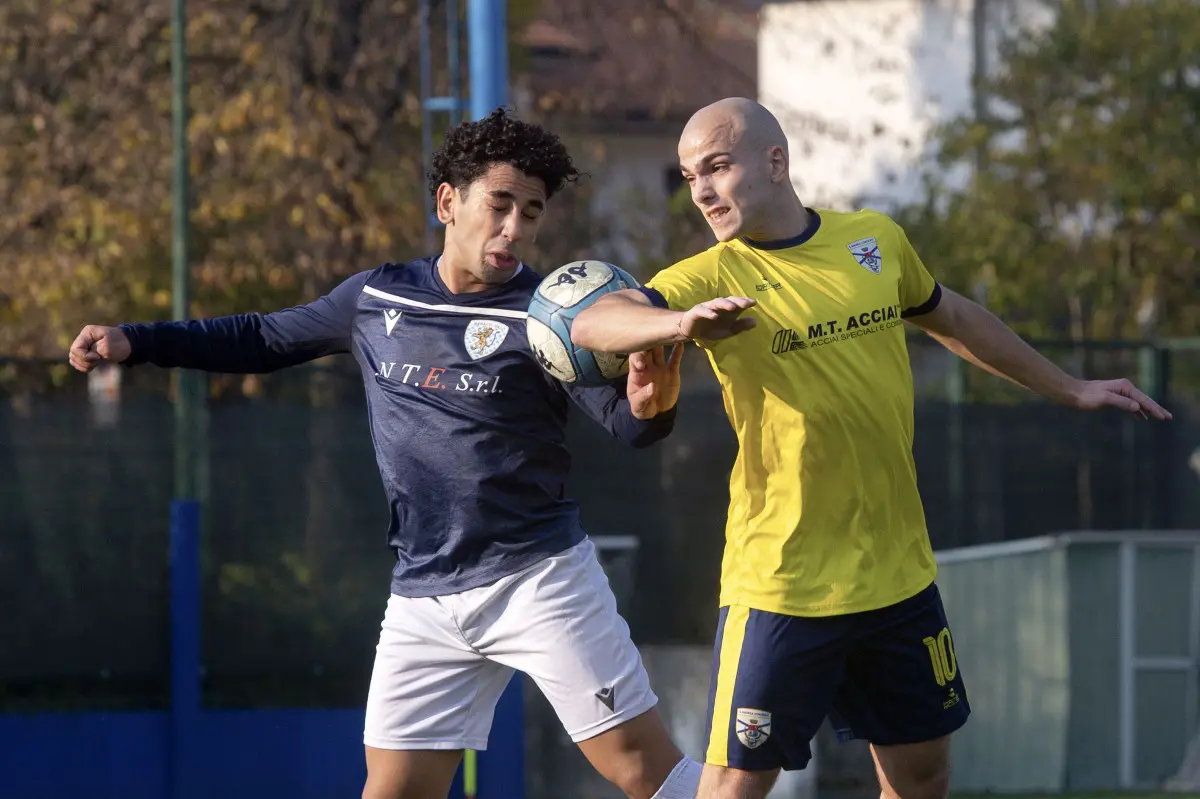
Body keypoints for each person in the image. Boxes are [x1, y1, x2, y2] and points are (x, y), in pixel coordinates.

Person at [68, 108, 702, 799]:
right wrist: (139, 340)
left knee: (644, 770)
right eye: (499, 204)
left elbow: (634, 428)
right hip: (424, 593)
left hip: (538, 578)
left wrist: (651, 391)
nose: (514, 227)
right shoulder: (374, 297)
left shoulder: (545, 315)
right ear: (447, 202)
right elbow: (259, 337)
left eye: (531, 211)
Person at [568, 96, 1173, 799]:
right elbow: (592, 322)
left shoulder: (874, 241)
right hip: (782, 582)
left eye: (717, 166)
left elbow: (952, 316)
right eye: (688, 173)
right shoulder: (708, 278)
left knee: (922, 777)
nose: (700, 188)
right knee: (733, 784)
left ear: (776, 162)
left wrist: (1068, 386)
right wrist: (676, 321)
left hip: (897, 579)